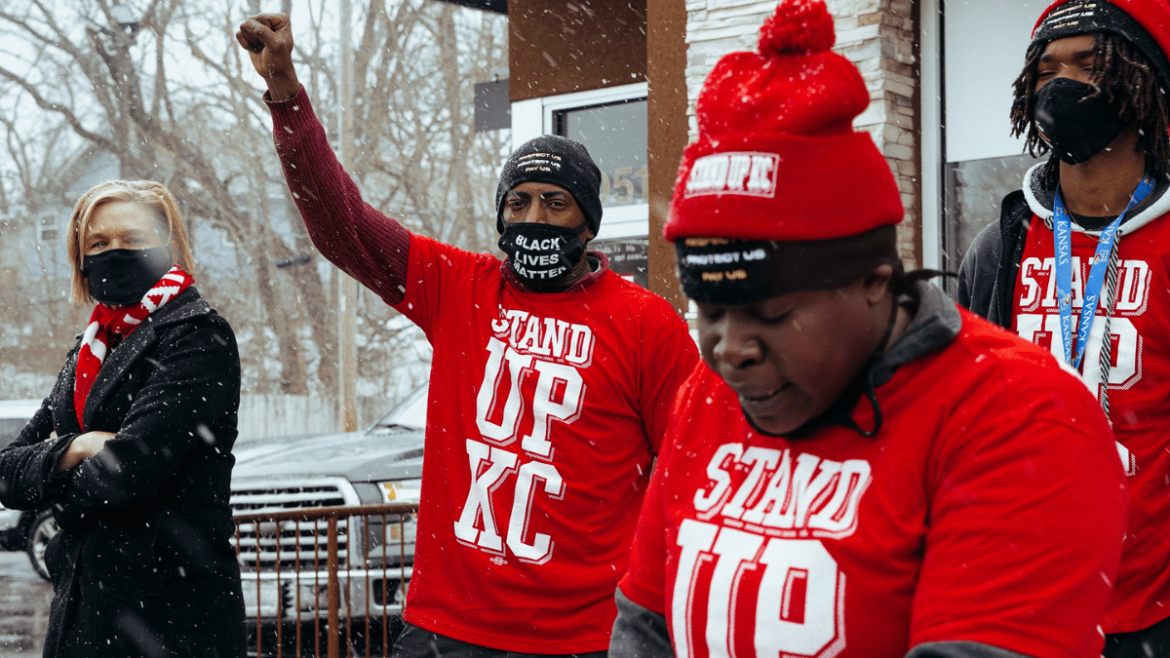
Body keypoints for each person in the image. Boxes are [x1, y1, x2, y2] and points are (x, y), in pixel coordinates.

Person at [612, 2, 1128, 657]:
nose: (732, 350)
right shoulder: (707, 397)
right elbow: (646, 624)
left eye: (772, 314)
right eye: (710, 312)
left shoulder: (1019, 416)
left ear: (876, 282)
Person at [236, 12, 699, 658]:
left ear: (588, 225)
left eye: (555, 203)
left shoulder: (647, 323)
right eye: (519, 203)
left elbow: (687, 473)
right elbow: (341, 226)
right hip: (445, 634)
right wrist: (286, 93)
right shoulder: (458, 287)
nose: (534, 218)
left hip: (584, 639)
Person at [957, 0, 1170, 653]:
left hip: (1151, 609)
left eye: (1088, 65)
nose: (1062, 86)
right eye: (1046, 69)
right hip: (1027, 601)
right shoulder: (1003, 246)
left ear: (1145, 83)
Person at [0, 180, 245, 658]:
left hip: (173, 615)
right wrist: (80, 446)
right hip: (83, 612)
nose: (115, 253)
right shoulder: (87, 350)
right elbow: (7, 474)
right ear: (80, 259)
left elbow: (129, 473)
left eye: (133, 240)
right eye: (98, 243)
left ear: (167, 245)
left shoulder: (197, 336)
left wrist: (61, 503)